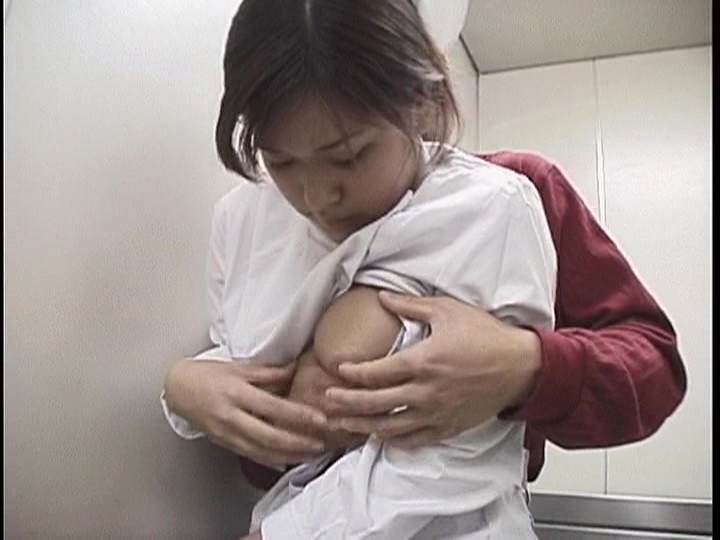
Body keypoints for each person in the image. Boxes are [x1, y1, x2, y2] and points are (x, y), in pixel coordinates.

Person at [161, 0, 687, 536]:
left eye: (349, 157)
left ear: (422, 103)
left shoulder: (511, 198)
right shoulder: (254, 230)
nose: (316, 196)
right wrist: (190, 390)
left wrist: (526, 366)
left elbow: (655, 372)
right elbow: (265, 456)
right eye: (282, 161)